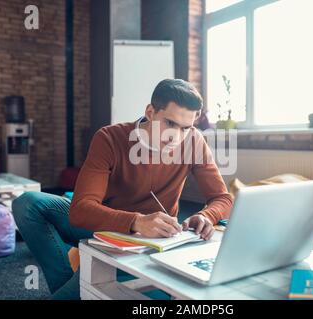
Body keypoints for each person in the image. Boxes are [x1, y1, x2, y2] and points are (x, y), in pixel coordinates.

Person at [12, 79, 233, 299]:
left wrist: (206, 215)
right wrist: (136, 221)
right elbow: (80, 211)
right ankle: (67, 282)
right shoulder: (109, 138)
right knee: (27, 203)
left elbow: (223, 198)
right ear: (150, 112)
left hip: (154, 239)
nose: (176, 136)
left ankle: (76, 288)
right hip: (106, 225)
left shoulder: (194, 142)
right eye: (170, 123)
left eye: (186, 128)